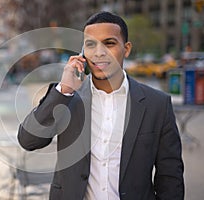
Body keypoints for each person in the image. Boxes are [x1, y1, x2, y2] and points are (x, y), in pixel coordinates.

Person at [18, 11, 184, 200]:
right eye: (90, 44)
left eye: (109, 43)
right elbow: (28, 140)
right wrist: (64, 90)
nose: (99, 52)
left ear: (126, 48)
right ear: (82, 52)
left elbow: (170, 177)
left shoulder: (157, 104)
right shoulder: (67, 98)